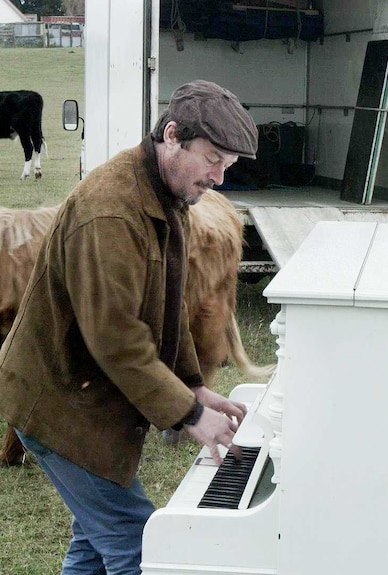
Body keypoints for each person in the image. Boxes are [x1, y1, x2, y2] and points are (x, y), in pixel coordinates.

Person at [0, 80, 259, 575]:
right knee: (140, 546)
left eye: (227, 165)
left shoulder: (168, 196)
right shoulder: (110, 212)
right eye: (212, 158)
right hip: (57, 400)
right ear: (172, 134)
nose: (219, 178)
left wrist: (195, 386)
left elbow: (169, 306)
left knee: (95, 546)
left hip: (87, 394)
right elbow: (116, 339)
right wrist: (186, 412)